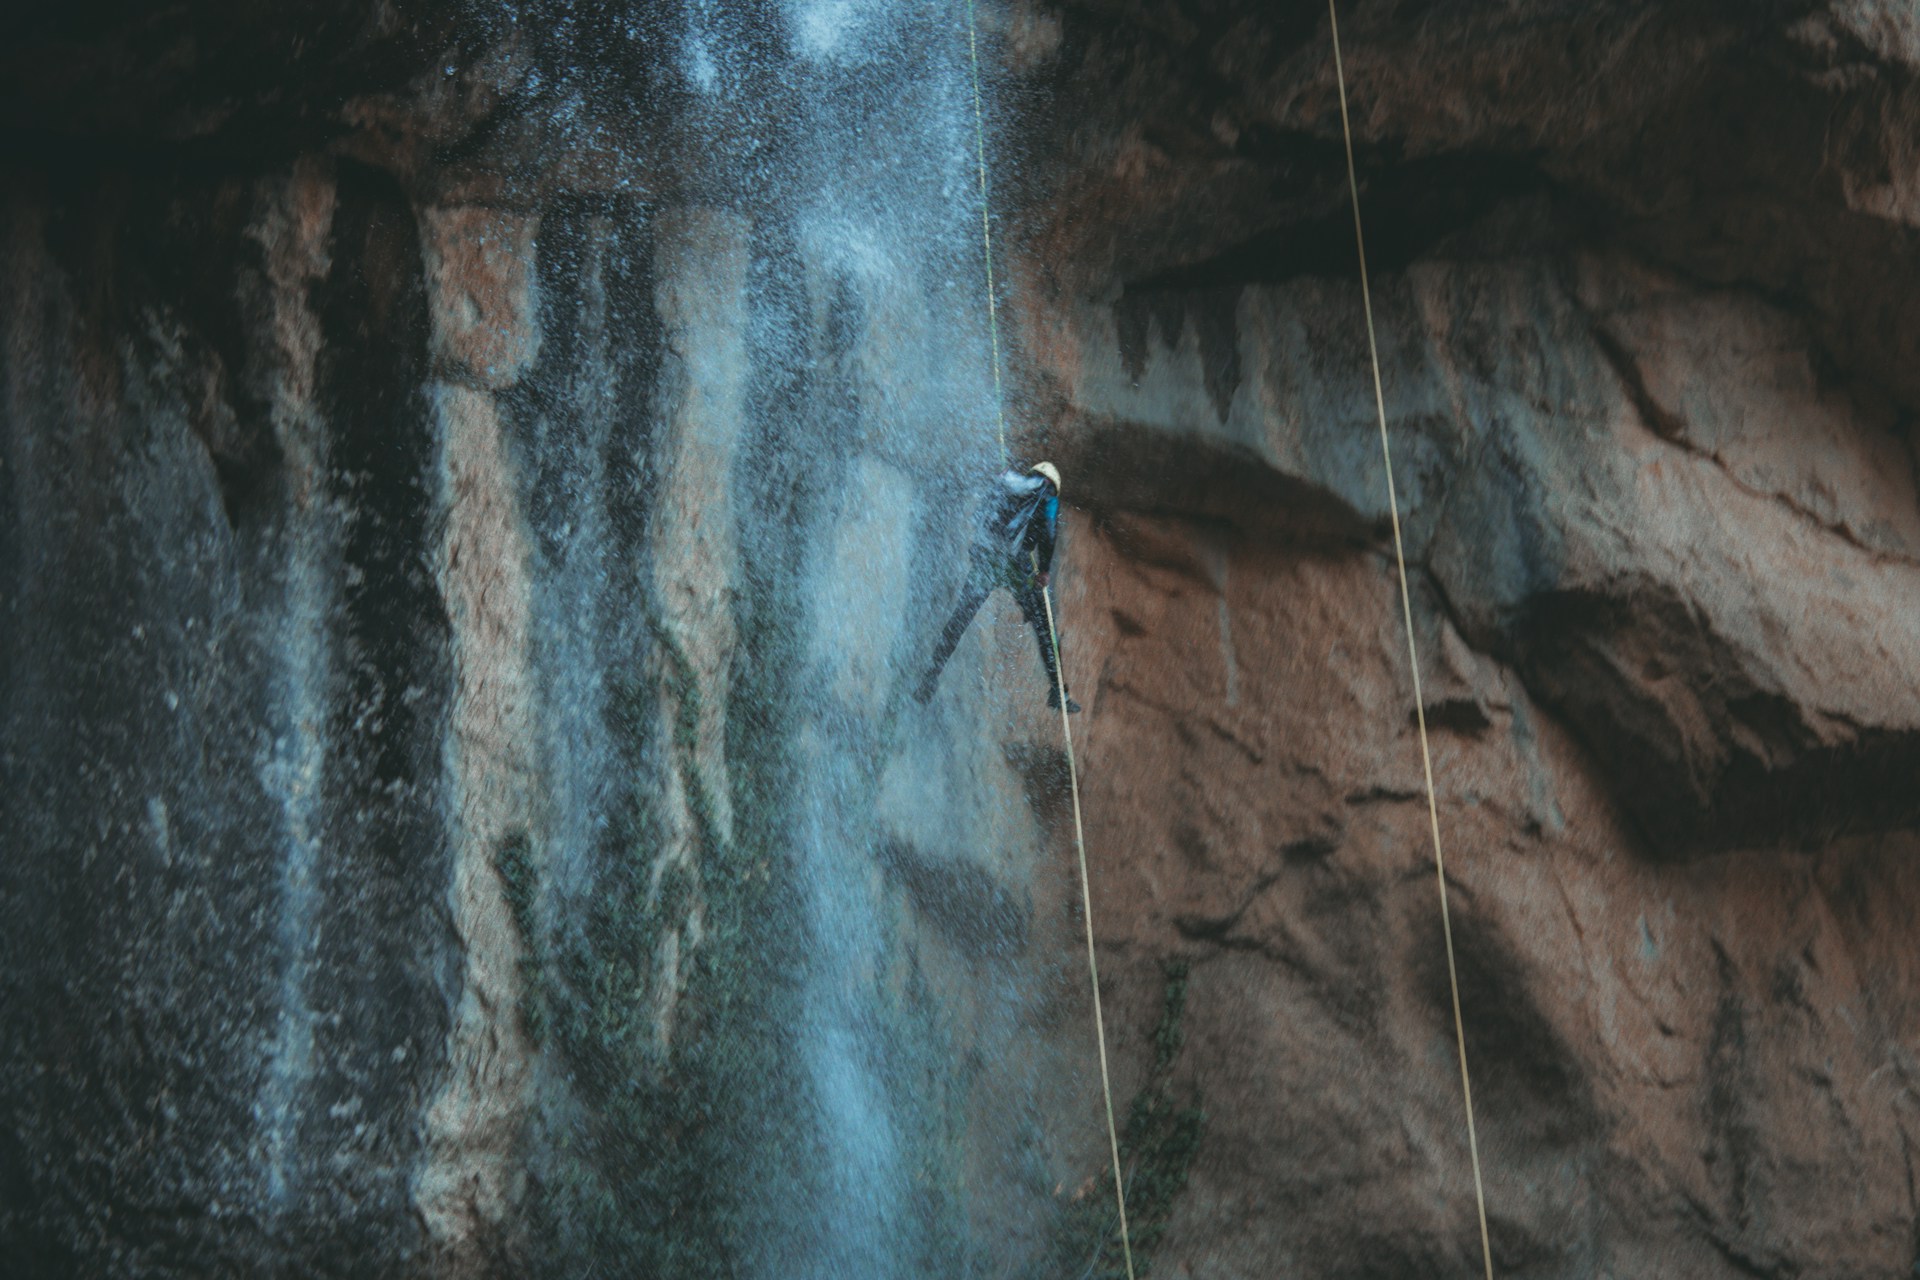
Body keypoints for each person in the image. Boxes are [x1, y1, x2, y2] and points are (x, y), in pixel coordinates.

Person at [915, 460, 1081, 712]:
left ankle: (930, 676)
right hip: (1014, 565)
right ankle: (1058, 691)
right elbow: (1048, 531)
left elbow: (983, 514)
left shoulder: (1011, 483)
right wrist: (1045, 569)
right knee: (1044, 626)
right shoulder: (1047, 494)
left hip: (986, 561)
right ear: (1053, 484)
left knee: (960, 618)